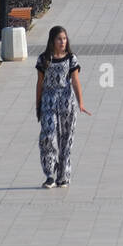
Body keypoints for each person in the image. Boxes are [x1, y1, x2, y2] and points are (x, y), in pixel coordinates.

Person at [35, 25, 91, 188]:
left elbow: (75, 80)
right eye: (59, 39)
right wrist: (38, 104)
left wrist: (80, 102)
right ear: (52, 40)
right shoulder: (43, 59)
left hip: (67, 103)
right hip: (49, 102)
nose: (62, 42)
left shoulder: (71, 59)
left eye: (65, 38)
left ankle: (63, 176)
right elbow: (39, 83)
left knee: (66, 139)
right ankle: (50, 174)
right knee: (48, 136)